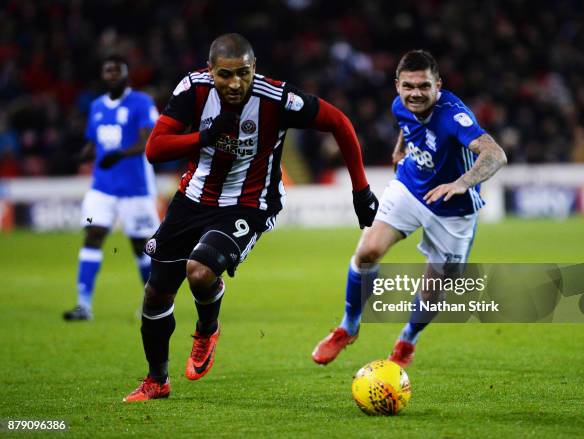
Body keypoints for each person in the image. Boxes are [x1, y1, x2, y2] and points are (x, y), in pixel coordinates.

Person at [122, 33, 379, 402]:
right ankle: (157, 381)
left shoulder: (277, 99)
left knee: (199, 270)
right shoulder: (192, 89)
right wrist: (205, 135)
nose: (235, 83)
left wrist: (361, 190)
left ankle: (207, 329)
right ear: (210, 71)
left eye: (243, 72)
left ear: (254, 68)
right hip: (192, 199)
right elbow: (155, 149)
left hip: (249, 204)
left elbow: (339, 122)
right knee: (156, 294)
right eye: (225, 74)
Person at [312, 50, 507, 367]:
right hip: (410, 187)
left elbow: (495, 154)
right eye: (409, 86)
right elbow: (409, 122)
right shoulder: (399, 104)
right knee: (367, 252)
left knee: (435, 288)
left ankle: (407, 339)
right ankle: (347, 327)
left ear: (438, 85)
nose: (415, 93)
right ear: (397, 85)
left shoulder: (454, 116)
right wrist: (401, 147)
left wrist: (461, 183)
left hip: (452, 209)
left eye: (424, 86)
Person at [63, 55, 160, 321]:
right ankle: (84, 305)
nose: (113, 75)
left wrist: (120, 154)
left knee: (141, 245)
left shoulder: (141, 102)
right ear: (103, 75)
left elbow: (149, 140)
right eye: (108, 71)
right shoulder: (96, 106)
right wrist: (76, 158)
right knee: (93, 234)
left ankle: (152, 305)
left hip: (135, 188)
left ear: (127, 74)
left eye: (118, 70)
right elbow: (94, 147)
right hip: (102, 187)